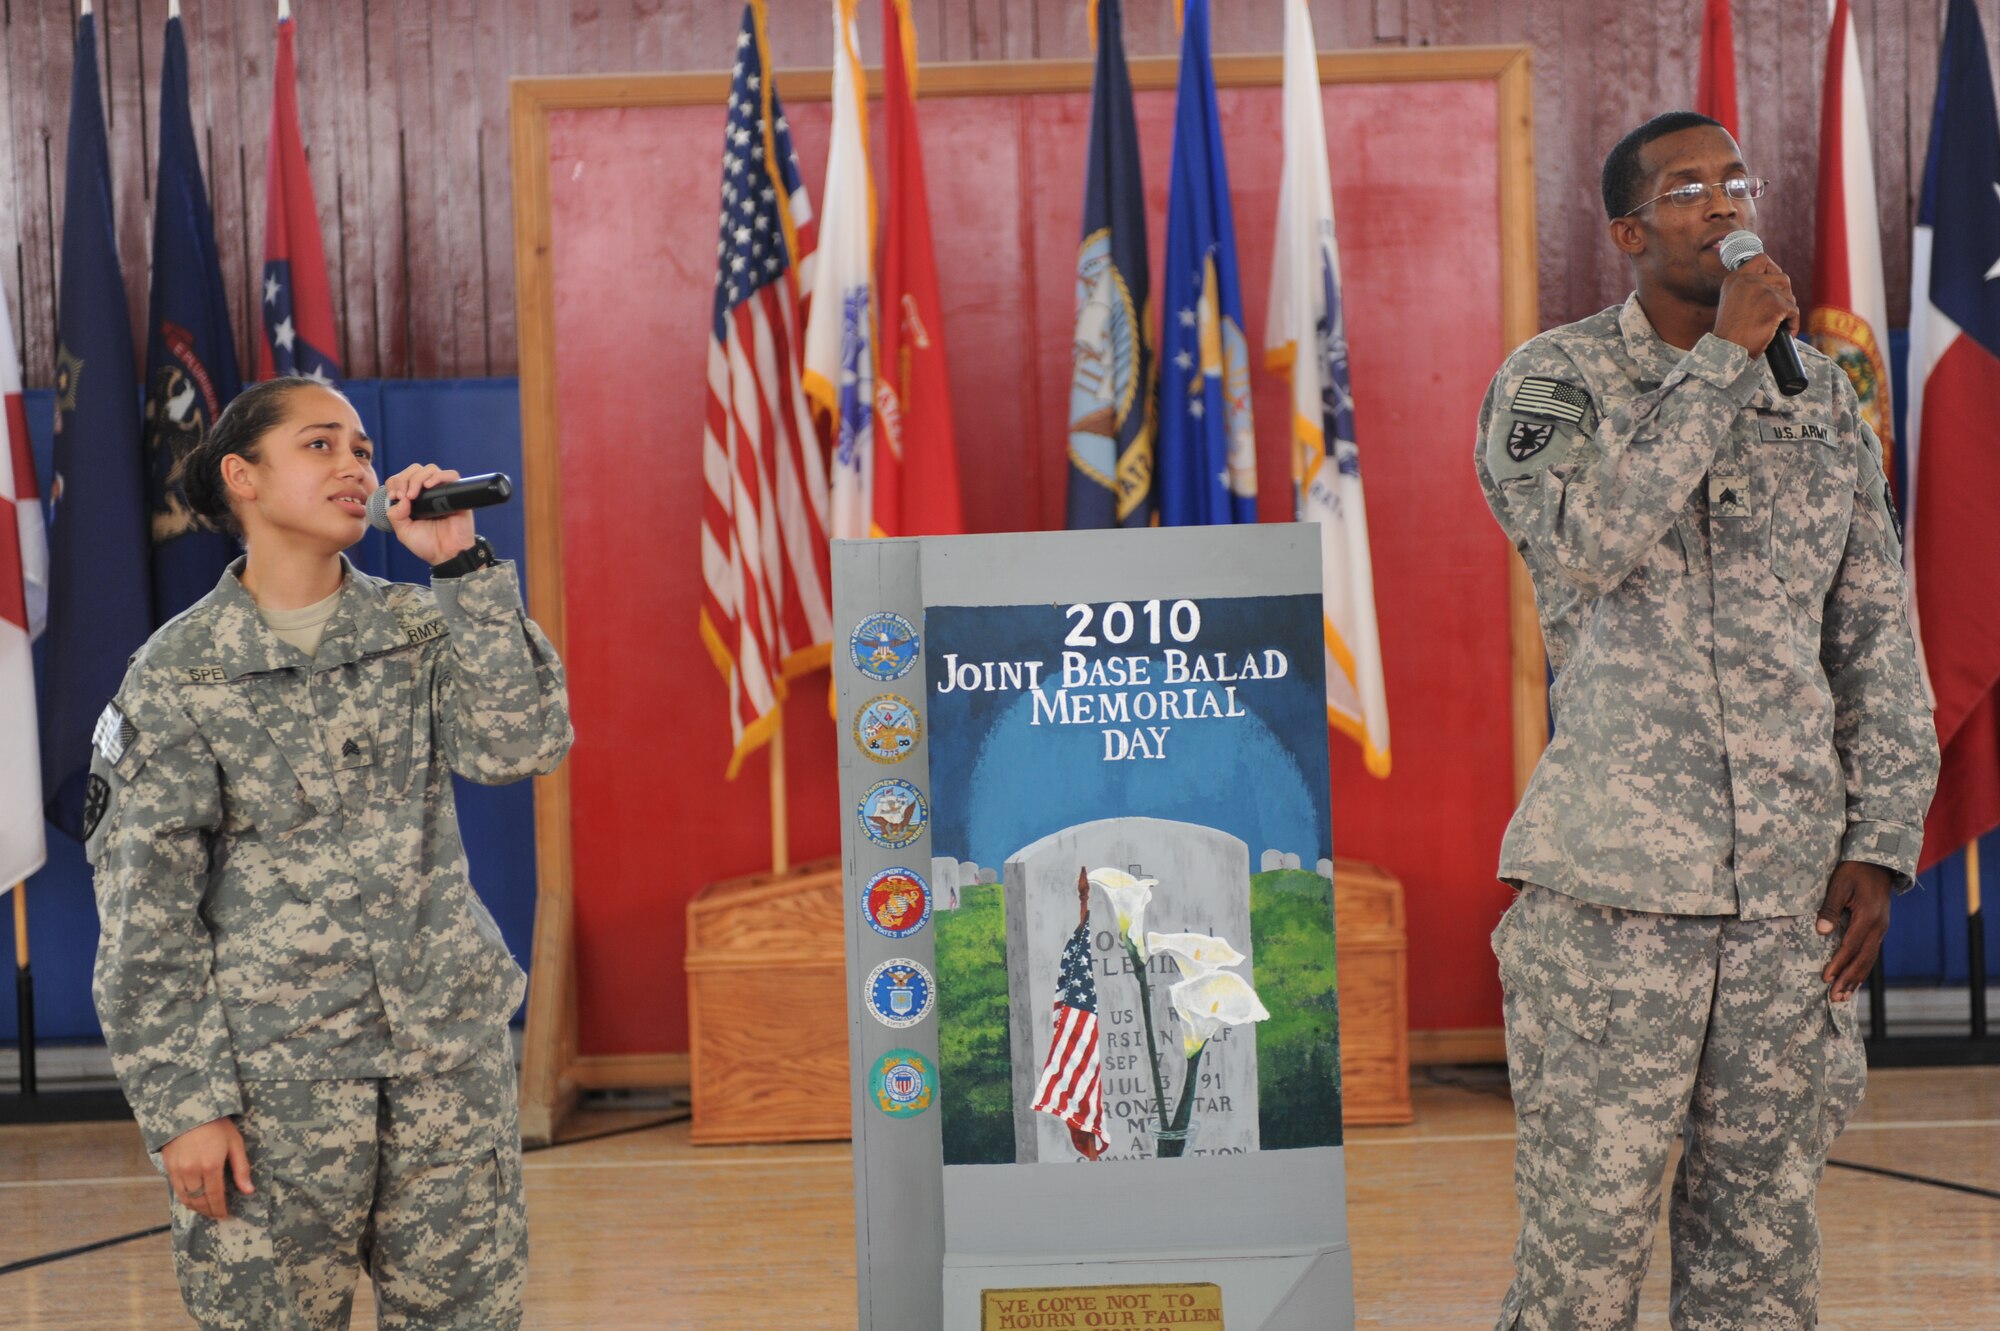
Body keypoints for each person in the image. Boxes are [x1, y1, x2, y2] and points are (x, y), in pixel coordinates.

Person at [1474, 112, 1937, 1330]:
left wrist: (1879, 840)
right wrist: (1723, 361)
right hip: (1614, 903)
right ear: (1628, 233)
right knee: (1582, 1259)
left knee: (1758, 1259)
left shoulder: (1821, 396)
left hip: (1789, 905)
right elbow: (1586, 540)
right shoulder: (1552, 379)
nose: (1722, 204)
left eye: (1735, 181)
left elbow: (1875, 631)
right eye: (1686, 191)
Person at [85, 376, 573, 1330]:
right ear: (245, 477)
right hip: (275, 1091)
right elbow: (147, 917)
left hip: (445, 1066)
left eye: (360, 448)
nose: (355, 465)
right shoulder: (178, 675)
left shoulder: (421, 626)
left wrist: (461, 565)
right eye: (320, 446)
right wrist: (185, 1105)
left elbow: (519, 746)